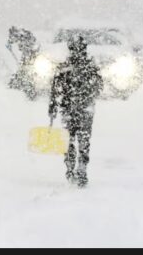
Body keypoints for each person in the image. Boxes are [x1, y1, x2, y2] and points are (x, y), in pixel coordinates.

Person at [48, 35, 104, 187]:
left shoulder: (65, 67)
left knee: (69, 142)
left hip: (69, 110)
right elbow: (99, 87)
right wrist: (87, 95)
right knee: (83, 142)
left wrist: (52, 107)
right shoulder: (90, 67)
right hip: (85, 110)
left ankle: (71, 169)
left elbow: (54, 91)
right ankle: (81, 170)